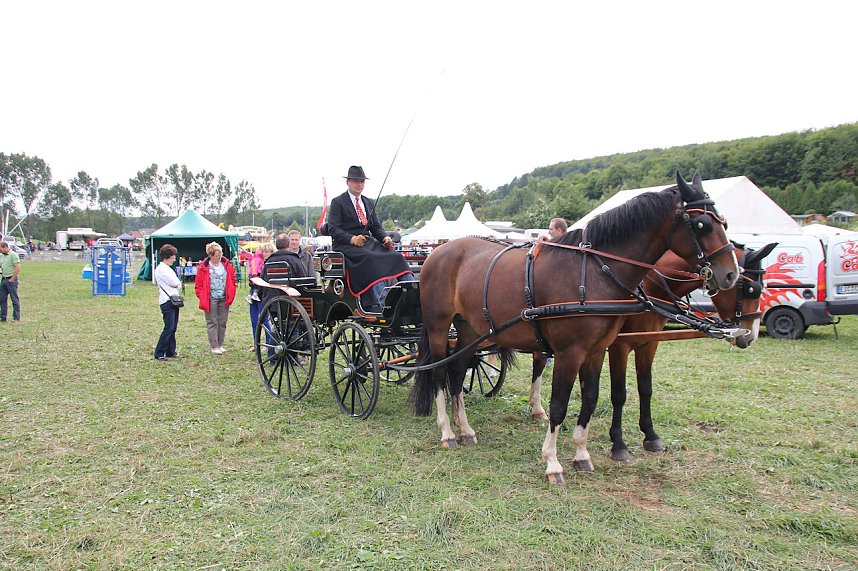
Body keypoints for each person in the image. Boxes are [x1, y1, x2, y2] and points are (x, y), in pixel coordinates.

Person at [327, 165, 414, 312]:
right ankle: (383, 303)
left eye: (361, 181)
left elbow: (376, 227)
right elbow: (333, 229)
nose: (359, 184)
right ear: (348, 182)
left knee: (396, 257)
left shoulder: (368, 202)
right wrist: (352, 239)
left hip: (367, 243)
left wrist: (385, 238)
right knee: (371, 259)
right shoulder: (338, 202)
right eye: (355, 181)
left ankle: (412, 297)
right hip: (346, 246)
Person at [195, 241, 237, 355]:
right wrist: (202, 295)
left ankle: (220, 344)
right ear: (210, 255)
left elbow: (232, 278)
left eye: (220, 255)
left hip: (224, 297)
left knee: (222, 321)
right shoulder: (203, 267)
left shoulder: (226, 264)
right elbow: (198, 284)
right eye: (216, 256)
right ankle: (214, 345)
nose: (219, 257)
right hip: (210, 298)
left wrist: (232, 290)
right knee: (212, 322)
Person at [153, 243, 182, 360]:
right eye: (172, 258)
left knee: (173, 327)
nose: (173, 260)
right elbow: (175, 283)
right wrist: (177, 283)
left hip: (173, 300)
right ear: (166, 257)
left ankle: (171, 351)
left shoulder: (167, 269)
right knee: (169, 327)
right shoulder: (162, 270)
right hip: (167, 301)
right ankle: (159, 352)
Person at [260, 233, 309, 299]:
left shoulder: (268, 262)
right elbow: (303, 280)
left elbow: (262, 283)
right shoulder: (294, 260)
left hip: (270, 300)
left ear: (276, 245)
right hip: (292, 301)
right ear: (289, 244)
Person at [248, 243, 275, 351]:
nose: (265, 254)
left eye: (267, 251)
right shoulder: (257, 262)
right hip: (253, 293)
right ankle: (256, 343)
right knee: (254, 321)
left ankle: (268, 344)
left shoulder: (271, 264)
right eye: (264, 251)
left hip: (264, 294)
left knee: (264, 320)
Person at [0, 241, 22, 322]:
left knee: (14, 299)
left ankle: (16, 317)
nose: (0, 251)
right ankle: (3, 317)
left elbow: (17, 267)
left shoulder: (13, 255)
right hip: (3, 279)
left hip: (11, 280)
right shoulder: (2, 255)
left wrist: (12, 279)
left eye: (1, 249)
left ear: (5, 247)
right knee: (2, 299)